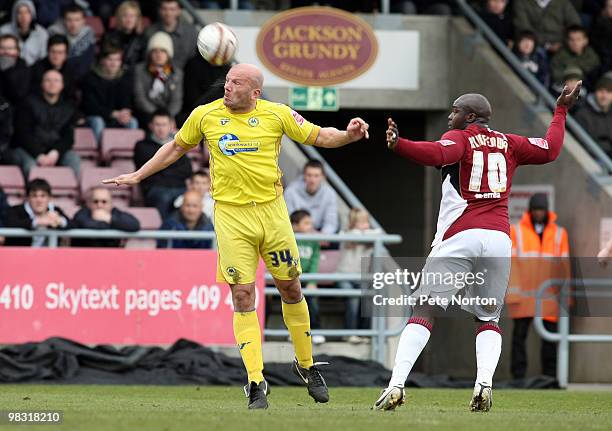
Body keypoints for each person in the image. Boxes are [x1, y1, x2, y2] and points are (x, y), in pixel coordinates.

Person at [103, 63, 369, 409]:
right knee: (243, 295)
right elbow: (175, 147)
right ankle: (256, 380)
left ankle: (306, 365)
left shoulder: (277, 114)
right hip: (231, 217)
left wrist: (348, 134)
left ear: (255, 93)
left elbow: (320, 136)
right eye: (227, 81)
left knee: (291, 288)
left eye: (236, 83)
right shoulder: (205, 115)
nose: (227, 87)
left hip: (273, 215)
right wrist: (140, 174)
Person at [373, 83, 581, 412]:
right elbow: (552, 149)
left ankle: (396, 383)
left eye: (454, 111)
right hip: (498, 238)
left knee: (425, 310)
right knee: (488, 319)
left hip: (461, 234)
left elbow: (438, 154)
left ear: (471, 116)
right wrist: (561, 111)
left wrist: (401, 145)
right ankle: (483, 383)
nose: (449, 117)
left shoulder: (461, 137)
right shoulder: (509, 143)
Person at [506, 193, 570, 380]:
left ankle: (549, 377)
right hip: (522, 297)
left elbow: (565, 267)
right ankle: (518, 377)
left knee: (550, 340)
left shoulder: (559, 234)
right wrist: (512, 294)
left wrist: (567, 297)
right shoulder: (516, 231)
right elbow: (511, 264)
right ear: (530, 211)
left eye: (541, 210)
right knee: (519, 338)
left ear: (547, 210)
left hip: (548, 298)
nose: (539, 213)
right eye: (536, 210)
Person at [12, 69, 79, 178]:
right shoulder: (27, 103)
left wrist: (55, 152)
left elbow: (68, 137)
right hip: (28, 150)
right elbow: (22, 134)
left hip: (54, 151)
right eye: (48, 80)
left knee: (73, 159)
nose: (52, 84)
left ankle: (71, 193)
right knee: (30, 166)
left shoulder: (68, 108)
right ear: (42, 84)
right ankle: (35, 194)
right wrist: (38, 154)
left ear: (62, 85)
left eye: (56, 80)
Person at [134, 109, 192, 219]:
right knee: (165, 197)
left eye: (164, 125)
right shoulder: (142, 146)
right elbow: (149, 172)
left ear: (171, 125)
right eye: (157, 125)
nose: (161, 129)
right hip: (155, 189)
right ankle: (164, 234)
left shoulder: (178, 144)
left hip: (179, 187)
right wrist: (171, 167)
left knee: (192, 199)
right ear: (151, 126)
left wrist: (162, 167)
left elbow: (187, 170)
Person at [336, 208, 381, 344]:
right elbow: (345, 235)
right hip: (343, 277)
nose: (364, 225)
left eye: (366, 222)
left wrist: (366, 232)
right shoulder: (346, 234)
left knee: (369, 297)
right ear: (352, 223)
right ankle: (350, 333)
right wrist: (362, 232)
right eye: (360, 222)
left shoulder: (370, 238)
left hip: (361, 278)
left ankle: (364, 333)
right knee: (354, 297)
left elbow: (381, 233)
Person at [81, 45, 138, 145]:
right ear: (102, 61)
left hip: (117, 117)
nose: (113, 63)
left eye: (117, 60)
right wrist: (113, 114)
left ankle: (127, 155)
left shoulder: (125, 78)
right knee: (98, 122)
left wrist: (125, 111)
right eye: (110, 59)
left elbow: (128, 100)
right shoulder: (90, 78)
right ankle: (100, 155)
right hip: (96, 117)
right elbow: (89, 107)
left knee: (132, 122)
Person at [133, 31, 183, 125]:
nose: (159, 55)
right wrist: (156, 116)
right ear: (150, 53)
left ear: (168, 54)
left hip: (168, 115)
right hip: (146, 114)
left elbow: (176, 101)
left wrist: (167, 117)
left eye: (163, 51)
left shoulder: (176, 73)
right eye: (155, 51)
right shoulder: (139, 70)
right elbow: (140, 99)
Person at [290, 209, 324, 345]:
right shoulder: (288, 238)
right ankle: (294, 333)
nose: (310, 226)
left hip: (308, 279)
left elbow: (315, 262)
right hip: (292, 279)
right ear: (295, 225)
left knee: (313, 301)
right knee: (292, 304)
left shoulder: (314, 241)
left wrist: (312, 281)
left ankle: (316, 330)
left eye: (310, 223)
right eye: (306, 223)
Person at [3, 178, 69, 246]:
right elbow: (11, 224)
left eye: (43, 196)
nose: (39, 200)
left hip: (48, 255)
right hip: (19, 254)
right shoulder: (15, 211)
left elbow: (73, 225)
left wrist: (60, 220)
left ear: (49, 198)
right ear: (28, 198)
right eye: (34, 196)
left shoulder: (55, 210)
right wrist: (37, 221)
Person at [70, 187, 140, 247]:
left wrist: (109, 219)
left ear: (111, 204)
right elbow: (83, 223)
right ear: (89, 204)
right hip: (83, 256)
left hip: (111, 257)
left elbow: (134, 225)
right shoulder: (82, 213)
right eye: (95, 201)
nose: (99, 205)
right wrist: (110, 224)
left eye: (104, 202)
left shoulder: (115, 213)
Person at [284, 160, 339, 235]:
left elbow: (331, 223)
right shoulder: (290, 191)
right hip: (297, 233)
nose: (312, 180)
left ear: (323, 177)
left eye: (316, 176)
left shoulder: (330, 193)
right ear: (304, 175)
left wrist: (321, 237)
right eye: (309, 175)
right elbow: (288, 221)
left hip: (321, 235)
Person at [144, 0, 198, 70]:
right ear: (159, 10)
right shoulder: (150, 32)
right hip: (155, 75)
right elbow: (146, 59)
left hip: (186, 75)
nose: (168, 13)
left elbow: (194, 60)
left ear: (179, 11)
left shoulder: (191, 32)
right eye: (164, 9)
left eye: (172, 9)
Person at [513, 0, 581, 54]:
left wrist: (563, 43)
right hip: (535, 45)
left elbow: (575, 25)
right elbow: (524, 28)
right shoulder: (522, 2)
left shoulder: (563, 3)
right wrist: (546, 45)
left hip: (561, 45)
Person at [48, 4, 95, 79]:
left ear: (83, 21)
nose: (73, 24)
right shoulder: (54, 33)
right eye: (69, 20)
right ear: (64, 20)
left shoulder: (88, 35)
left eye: (77, 20)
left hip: (82, 78)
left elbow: (88, 63)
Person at [30, 34, 77, 102]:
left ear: (66, 55)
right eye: (53, 52)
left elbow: (71, 96)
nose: (56, 56)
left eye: (60, 53)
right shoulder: (36, 69)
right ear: (48, 52)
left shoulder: (71, 71)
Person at [0, 0, 48, 66]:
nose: (23, 16)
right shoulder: (4, 31)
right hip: (7, 68)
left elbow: (43, 58)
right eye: (20, 13)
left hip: (34, 71)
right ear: (15, 15)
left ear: (32, 14)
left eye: (27, 12)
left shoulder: (42, 33)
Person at [575, 74, 612, 156]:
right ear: (595, 92)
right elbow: (583, 144)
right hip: (595, 158)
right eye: (601, 91)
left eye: (609, 92)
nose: (604, 96)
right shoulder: (582, 114)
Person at [101, 1, 146, 68]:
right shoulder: (109, 36)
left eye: (132, 16)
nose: (129, 20)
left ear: (137, 19)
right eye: (125, 16)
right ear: (119, 18)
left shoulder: (142, 39)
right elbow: (105, 60)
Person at [0, 34, 32, 107]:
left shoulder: (24, 69)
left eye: (10, 48)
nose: (6, 52)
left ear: (17, 51)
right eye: (2, 48)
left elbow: (19, 96)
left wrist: (7, 71)